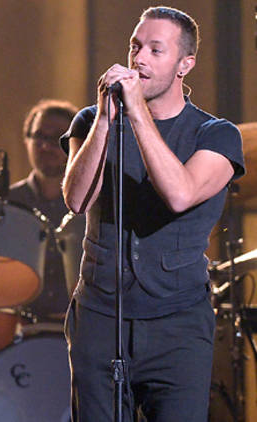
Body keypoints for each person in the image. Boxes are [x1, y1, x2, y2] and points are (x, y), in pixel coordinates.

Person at [61, 6, 244, 421]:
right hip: (99, 317)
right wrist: (105, 123)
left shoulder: (215, 135)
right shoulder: (91, 122)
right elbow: (76, 200)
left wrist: (137, 112)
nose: (139, 59)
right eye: (135, 46)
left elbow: (180, 194)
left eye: (155, 50)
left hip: (177, 325)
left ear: (185, 64)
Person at [9, 99, 79, 321]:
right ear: (26, 141)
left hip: (80, 328)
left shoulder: (92, 203)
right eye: (39, 136)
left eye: (57, 137)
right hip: (18, 328)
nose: (46, 146)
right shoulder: (6, 203)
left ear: (77, 143)